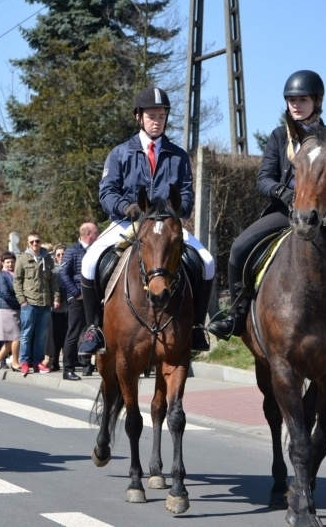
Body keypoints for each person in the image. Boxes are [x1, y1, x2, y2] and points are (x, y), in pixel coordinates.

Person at [206, 69, 326, 350]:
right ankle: (237, 312)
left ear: (317, 102)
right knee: (238, 248)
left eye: (302, 99)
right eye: (291, 100)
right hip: (286, 211)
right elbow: (264, 179)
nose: (296, 105)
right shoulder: (279, 137)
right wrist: (284, 193)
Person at [78, 87, 215, 355]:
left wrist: (176, 211)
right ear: (138, 117)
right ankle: (94, 328)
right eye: (151, 116)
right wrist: (125, 207)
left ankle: (197, 327)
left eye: (161, 116)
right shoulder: (120, 153)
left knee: (207, 262)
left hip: (165, 225)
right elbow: (107, 192)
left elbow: (186, 194)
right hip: (127, 223)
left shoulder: (178, 156)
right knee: (89, 261)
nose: (157, 121)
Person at [14, 232, 60, 375]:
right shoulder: (22, 259)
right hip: (29, 303)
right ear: (28, 243)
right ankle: (24, 362)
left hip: (45, 303)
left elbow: (53, 280)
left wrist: (56, 297)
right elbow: (17, 281)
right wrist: (22, 300)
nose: (35, 244)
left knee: (41, 336)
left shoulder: (48, 259)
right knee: (26, 334)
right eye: (32, 242)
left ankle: (37, 362)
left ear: (40, 242)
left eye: (37, 241)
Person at [59, 222, 100, 380]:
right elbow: (63, 274)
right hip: (78, 298)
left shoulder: (97, 250)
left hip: (95, 297)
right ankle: (68, 368)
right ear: (89, 234)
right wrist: (76, 293)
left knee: (95, 331)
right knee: (74, 333)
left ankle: (89, 365)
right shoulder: (72, 251)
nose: (98, 234)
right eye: (96, 232)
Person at [0, 251, 21, 373]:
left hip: (16, 309)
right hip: (7, 309)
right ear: (3, 263)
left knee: (11, 339)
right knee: (16, 337)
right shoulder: (2, 276)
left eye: (12, 262)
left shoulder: (16, 274)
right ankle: (15, 362)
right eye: (7, 262)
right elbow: (5, 294)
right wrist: (21, 301)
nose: (10, 264)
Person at [43, 244, 68, 372]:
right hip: (55, 307)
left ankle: (68, 362)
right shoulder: (54, 270)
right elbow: (51, 285)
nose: (61, 257)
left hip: (68, 308)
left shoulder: (70, 267)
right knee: (54, 337)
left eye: (63, 254)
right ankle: (54, 361)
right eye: (58, 255)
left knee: (66, 336)